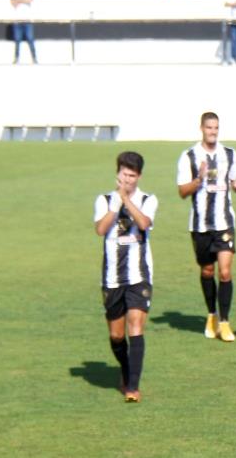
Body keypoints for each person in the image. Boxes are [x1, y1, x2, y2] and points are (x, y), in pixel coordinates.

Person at [176, 113, 236, 342]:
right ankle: (212, 315)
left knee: (225, 272)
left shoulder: (229, 154)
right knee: (207, 271)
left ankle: (225, 322)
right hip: (200, 225)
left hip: (224, 222)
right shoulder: (189, 156)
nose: (213, 132)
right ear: (201, 128)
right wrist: (199, 179)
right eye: (209, 128)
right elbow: (182, 192)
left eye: (216, 128)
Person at [94, 151, 157, 403]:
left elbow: (143, 223)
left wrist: (127, 202)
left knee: (136, 326)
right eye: (123, 174)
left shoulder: (148, 199)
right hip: (112, 278)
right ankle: (125, 368)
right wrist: (115, 206)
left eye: (131, 176)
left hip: (139, 276)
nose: (127, 180)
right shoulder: (104, 199)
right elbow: (100, 229)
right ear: (117, 173)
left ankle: (132, 386)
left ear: (138, 176)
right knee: (117, 336)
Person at [10, 0, 36, 64]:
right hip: (18, 21)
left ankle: (34, 58)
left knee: (30, 40)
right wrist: (22, 0)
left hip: (27, 20)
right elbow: (13, 2)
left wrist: (19, 0)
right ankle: (16, 58)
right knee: (17, 40)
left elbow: (29, 0)